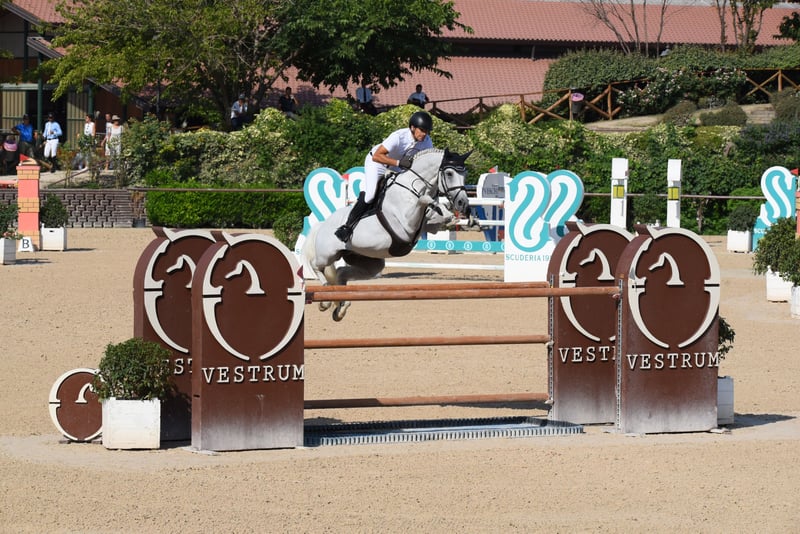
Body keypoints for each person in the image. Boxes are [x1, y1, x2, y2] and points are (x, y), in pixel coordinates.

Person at [335, 110, 434, 242]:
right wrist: (398, 163)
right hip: (377, 163)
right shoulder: (398, 137)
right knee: (370, 195)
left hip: (397, 166)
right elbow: (377, 156)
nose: (424, 134)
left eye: (427, 131)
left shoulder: (427, 141)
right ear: (412, 127)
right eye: (422, 130)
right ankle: (347, 227)